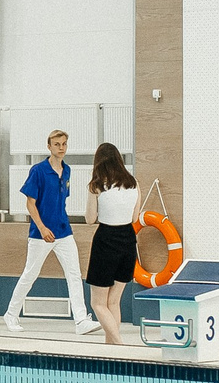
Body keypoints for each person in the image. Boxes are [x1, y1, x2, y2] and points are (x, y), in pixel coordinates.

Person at [9, 129, 95, 335]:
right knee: (30, 274)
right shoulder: (38, 170)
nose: (61, 148)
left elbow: (61, 200)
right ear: (49, 146)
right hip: (41, 234)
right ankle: (11, 314)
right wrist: (41, 227)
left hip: (64, 231)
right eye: (57, 144)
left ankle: (81, 320)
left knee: (74, 274)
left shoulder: (67, 171)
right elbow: (30, 203)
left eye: (64, 144)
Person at [82, 141, 143, 345]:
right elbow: (135, 218)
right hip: (127, 239)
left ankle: (118, 343)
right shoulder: (133, 183)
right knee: (113, 301)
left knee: (98, 303)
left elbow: (90, 219)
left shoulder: (97, 186)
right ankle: (112, 347)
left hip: (106, 239)